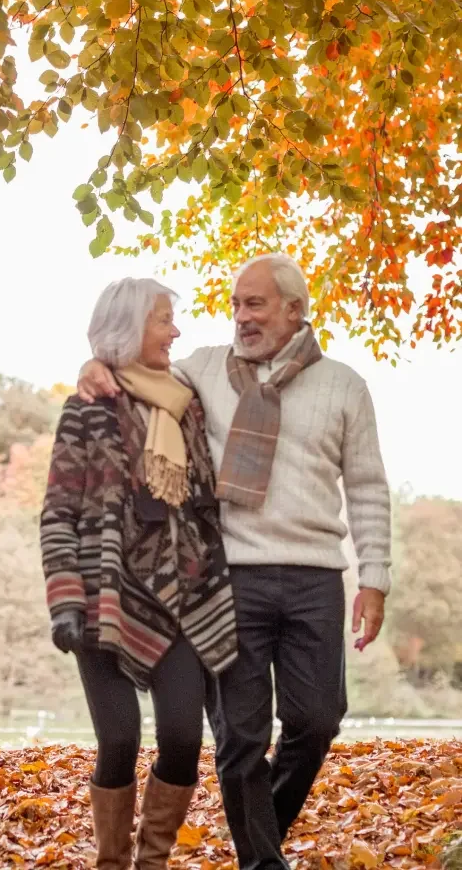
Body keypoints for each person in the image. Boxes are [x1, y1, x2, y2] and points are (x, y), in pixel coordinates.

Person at [77, 254, 391, 870]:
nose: (240, 318)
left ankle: (258, 830)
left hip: (316, 576)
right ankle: (261, 862)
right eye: (235, 305)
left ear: (295, 310)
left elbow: (369, 488)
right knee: (241, 736)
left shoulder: (345, 386)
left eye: (255, 305)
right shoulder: (205, 369)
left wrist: (374, 579)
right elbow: (139, 371)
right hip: (229, 580)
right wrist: (93, 364)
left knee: (316, 721)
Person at [41, 277, 237, 870]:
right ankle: (111, 862)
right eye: (162, 320)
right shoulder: (87, 407)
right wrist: (65, 602)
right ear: (129, 328)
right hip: (105, 601)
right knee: (119, 739)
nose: (175, 331)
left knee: (183, 737)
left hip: (183, 597)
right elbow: (59, 511)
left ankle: (152, 861)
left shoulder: (190, 400)